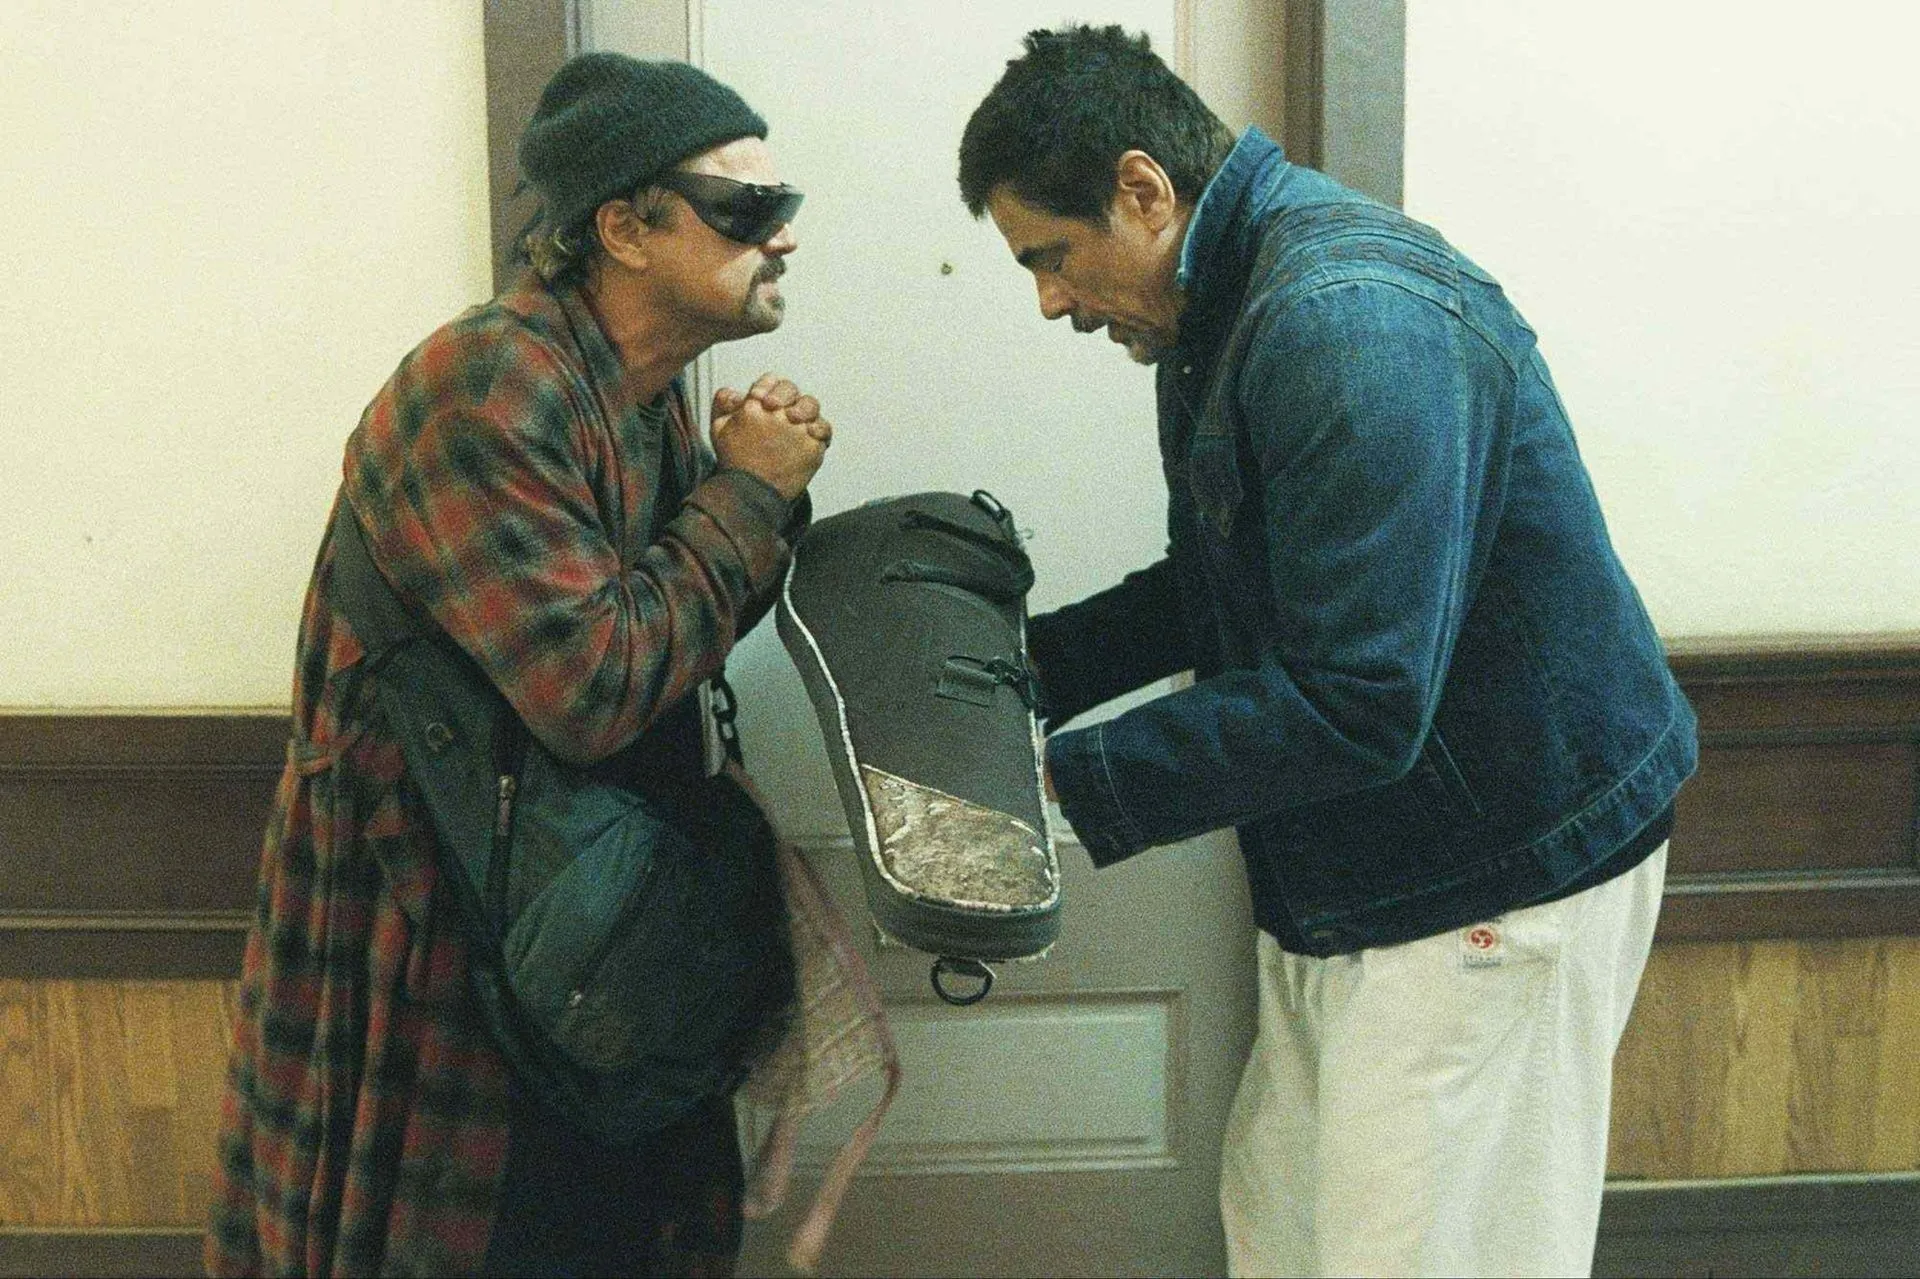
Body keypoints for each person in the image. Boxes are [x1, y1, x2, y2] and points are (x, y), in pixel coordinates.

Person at [959, 26, 1695, 1278]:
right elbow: (1225, 584)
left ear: (1143, 190)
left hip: (1498, 869)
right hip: (1364, 858)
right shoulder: (1216, 303)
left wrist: (1049, 783)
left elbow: (1359, 700)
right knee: (1288, 1231)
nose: (1050, 300)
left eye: (1051, 256)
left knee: (1424, 1257)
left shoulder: (1348, 322)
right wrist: (1022, 675)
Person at [207, 52, 831, 1277]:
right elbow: (595, 689)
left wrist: (750, 498)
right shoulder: (487, 389)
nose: (784, 235)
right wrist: (748, 496)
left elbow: (673, 638)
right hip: (445, 928)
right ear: (624, 229)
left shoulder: (634, 392)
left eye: (784, 204)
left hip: (568, 916)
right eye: (747, 207)